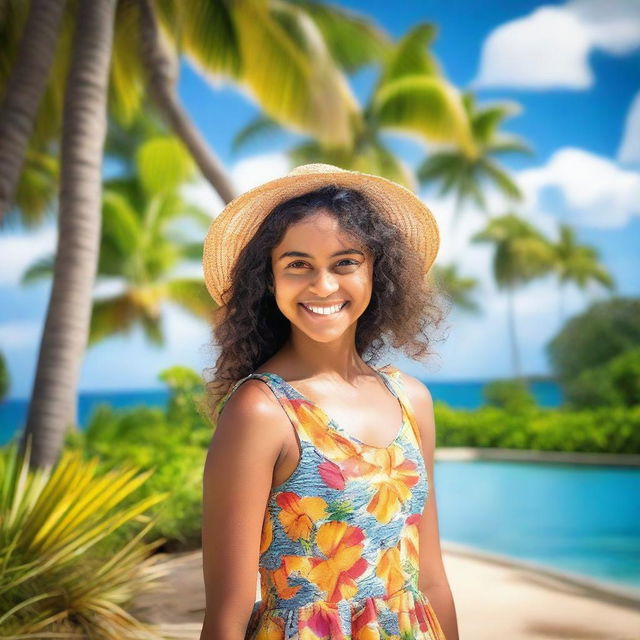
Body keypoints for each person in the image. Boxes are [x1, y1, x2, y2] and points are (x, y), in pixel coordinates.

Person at [199, 163, 459, 640]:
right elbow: (226, 615)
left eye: (345, 263)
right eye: (298, 264)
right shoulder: (261, 411)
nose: (323, 285)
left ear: (376, 273)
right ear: (269, 280)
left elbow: (432, 578)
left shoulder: (410, 400)